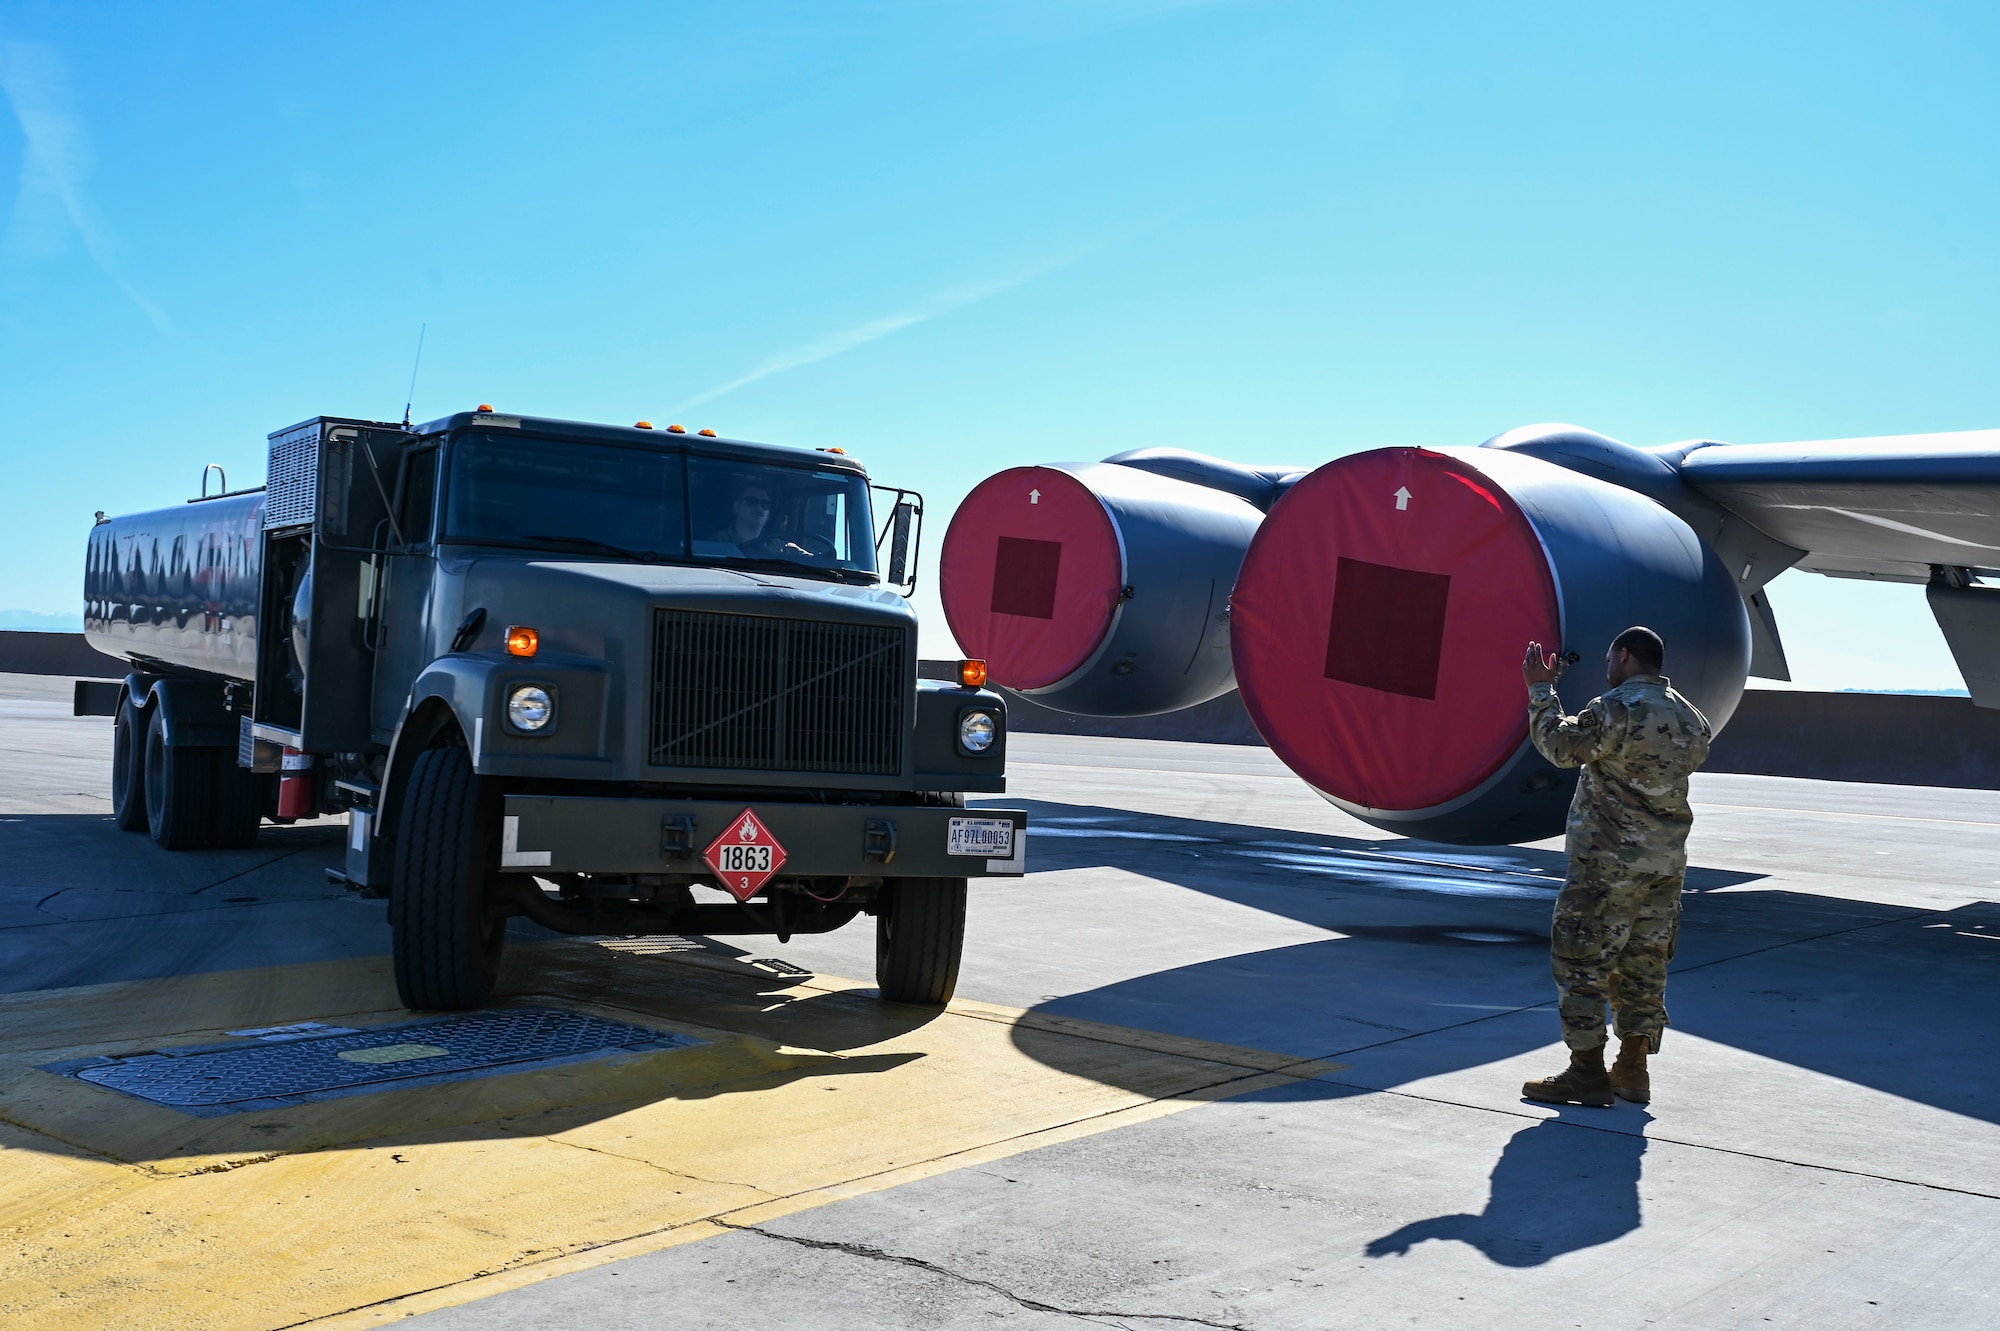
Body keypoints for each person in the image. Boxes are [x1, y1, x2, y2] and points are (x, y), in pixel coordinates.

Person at [1518, 626, 1712, 1108]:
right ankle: (1632, 1069)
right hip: (1664, 866)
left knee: (1582, 960)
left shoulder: (1616, 707)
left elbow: (1561, 747)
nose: (1607, 667)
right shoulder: (1691, 718)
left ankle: (1585, 1072)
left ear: (1625, 656)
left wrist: (1542, 689)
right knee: (1644, 966)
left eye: (1610, 659)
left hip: (1607, 862)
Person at [709, 481, 773, 548]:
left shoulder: (776, 547)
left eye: (764, 504)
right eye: (752, 501)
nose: (759, 508)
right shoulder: (717, 542)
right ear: (736, 506)